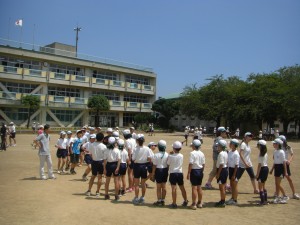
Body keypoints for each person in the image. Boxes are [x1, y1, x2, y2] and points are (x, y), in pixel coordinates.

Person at [132, 134, 154, 204]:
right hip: (144, 166)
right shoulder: (147, 148)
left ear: (137, 141)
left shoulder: (135, 149)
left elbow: (133, 158)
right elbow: (151, 157)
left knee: (137, 183)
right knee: (143, 183)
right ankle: (142, 197)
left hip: (137, 166)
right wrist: (146, 159)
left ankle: (136, 197)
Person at [167, 141, 188, 208]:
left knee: (174, 188)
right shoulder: (181, 156)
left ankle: (174, 203)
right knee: (182, 187)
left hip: (173, 173)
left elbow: (168, 163)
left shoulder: (170, 156)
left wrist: (170, 155)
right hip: (179, 173)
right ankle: (185, 200)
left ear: (174, 148)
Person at [85, 133, 106, 197]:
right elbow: (105, 157)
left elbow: (90, 154)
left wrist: (94, 158)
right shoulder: (103, 146)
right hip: (101, 162)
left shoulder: (92, 145)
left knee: (93, 176)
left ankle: (89, 190)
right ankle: (97, 192)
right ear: (102, 139)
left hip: (94, 161)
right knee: (100, 177)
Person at [278, 135, 300, 200]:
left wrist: (289, 160)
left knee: (289, 179)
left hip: (286, 165)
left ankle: (294, 193)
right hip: (280, 165)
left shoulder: (288, 147)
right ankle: (277, 193)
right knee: (278, 180)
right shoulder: (278, 147)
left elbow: (292, 154)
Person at [187, 139, 205, 210]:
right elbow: (203, 164)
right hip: (200, 171)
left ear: (194, 146)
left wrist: (188, 173)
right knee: (199, 187)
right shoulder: (202, 153)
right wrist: (202, 171)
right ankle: (199, 203)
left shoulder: (192, 153)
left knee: (194, 187)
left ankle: (194, 203)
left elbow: (190, 164)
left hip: (194, 171)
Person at [270, 138, 288, 204]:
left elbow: (284, 162)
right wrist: (272, 169)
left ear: (277, 144)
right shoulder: (275, 151)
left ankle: (285, 196)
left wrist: (285, 172)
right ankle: (277, 197)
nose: (273, 144)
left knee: (278, 184)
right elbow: (275, 162)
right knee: (276, 184)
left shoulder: (281, 152)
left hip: (280, 168)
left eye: (274, 143)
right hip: (276, 168)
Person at [151, 140, 168, 206]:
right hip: (165, 170)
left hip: (158, 170)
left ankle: (159, 200)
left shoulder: (156, 155)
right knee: (164, 186)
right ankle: (163, 200)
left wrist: (153, 174)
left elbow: (154, 165)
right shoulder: (167, 154)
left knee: (158, 187)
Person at [226, 139, 240, 205]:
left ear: (234, 145)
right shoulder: (230, 151)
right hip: (230, 169)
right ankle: (232, 198)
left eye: (231, 143)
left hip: (235, 170)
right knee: (232, 185)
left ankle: (235, 200)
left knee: (235, 185)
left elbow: (236, 165)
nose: (229, 144)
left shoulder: (236, 154)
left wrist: (234, 175)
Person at [215, 139, 228, 207]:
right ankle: (222, 200)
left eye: (218, 146)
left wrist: (218, 174)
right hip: (225, 170)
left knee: (221, 187)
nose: (217, 147)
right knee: (223, 186)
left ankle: (222, 201)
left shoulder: (221, 154)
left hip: (222, 170)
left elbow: (221, 164)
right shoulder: (225, 152)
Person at [255, 139, 269, 205]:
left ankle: (262, 201)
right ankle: (265, 200)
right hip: (266, 169)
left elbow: (259, 165)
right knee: (263, 186)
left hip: (262, 169)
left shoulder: (261, 154)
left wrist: (257, 174)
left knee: (260, 187)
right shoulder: (265, 153)